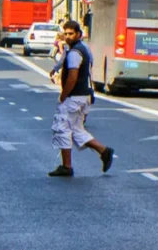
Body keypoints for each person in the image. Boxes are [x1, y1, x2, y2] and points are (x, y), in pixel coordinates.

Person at [48, 20, 114, 178]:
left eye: (71, 33)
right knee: (76, 129)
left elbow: (72, 76)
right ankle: (103, 151)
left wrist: (64, 95)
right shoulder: (80, 49)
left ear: (78, 34)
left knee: (62, 128)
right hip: (84, 95)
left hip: (74, 96)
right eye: (66, 33)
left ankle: (66, 166)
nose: (68, 36)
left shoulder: (75, 53)